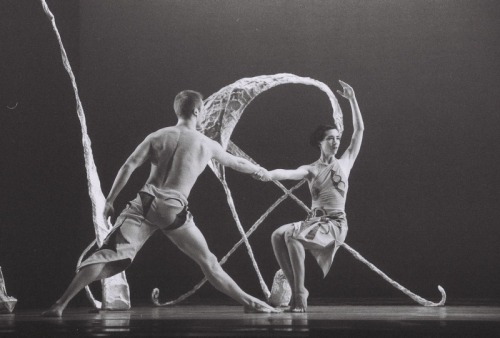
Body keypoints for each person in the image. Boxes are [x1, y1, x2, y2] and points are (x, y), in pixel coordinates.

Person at [42, 90, 279, 316]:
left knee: (105, 255)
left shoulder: (157, 136)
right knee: (209, 262)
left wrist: (111, 200)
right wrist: (261, 172)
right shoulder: (206, 144)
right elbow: (238, 163)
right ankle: (250, 302)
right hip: (173, 208)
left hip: (145, 203)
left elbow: (128, 166)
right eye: (204, 110)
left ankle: (60, 304)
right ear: (197, 111)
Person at [260, 80, 364, 312]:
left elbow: (359, 132)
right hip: (315, 222)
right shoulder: (311, 169)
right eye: (331, 138)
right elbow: (288, 173)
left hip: (335, 224)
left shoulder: (345, 163)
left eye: (337, 138)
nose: (336, 142)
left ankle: (299, 295)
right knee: (278, 235)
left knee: (293, 238)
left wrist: (353, 99)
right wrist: (266, 174)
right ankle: (297, 288)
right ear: (320, 142)